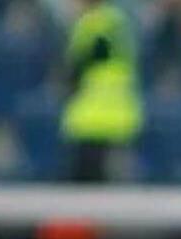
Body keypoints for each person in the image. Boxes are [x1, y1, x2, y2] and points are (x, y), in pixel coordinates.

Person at [63, 0, 142, 183]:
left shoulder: (91, 25)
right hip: (121, 116)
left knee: (88, 184)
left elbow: (75, 67)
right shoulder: (119, 21)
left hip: (90, 117)